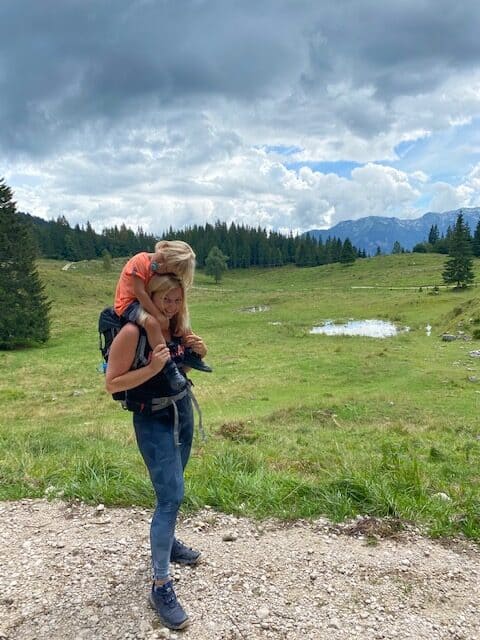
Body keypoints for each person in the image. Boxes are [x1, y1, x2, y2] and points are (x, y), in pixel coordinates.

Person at [106, 274, 208, 630]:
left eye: (178, 300)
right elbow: (112, 383)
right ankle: (160, 585)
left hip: (182, 412)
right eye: (166, 299)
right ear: (151, 296)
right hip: (152, 420)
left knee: (173, 490)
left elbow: (178, 368)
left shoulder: (175, 328)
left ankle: (169, 543)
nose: (172, 306)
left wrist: (196, 352)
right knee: (171, 497)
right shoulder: (132, 332)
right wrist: (151, 367)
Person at [113, 240, 196, 390]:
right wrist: (158, 315)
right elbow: (140, 292)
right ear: (163, 247)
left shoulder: (157, 270)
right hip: (128, 303)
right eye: (162, 258)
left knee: (166, 320)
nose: (160, 266)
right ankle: (169, 366)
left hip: (141, 303)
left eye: (167, 269)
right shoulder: (140, 260)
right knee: (151, 323)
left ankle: (182, 352)